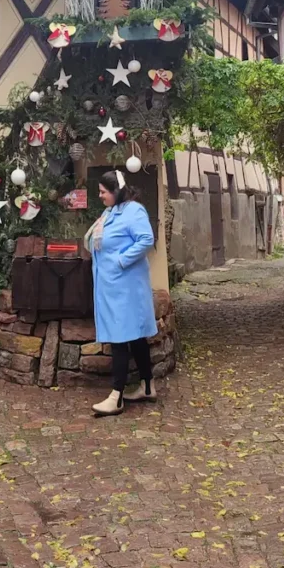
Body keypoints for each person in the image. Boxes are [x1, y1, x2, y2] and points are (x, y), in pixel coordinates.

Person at [84, 169, 157, 416]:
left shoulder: (134, 211)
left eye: (104, 192)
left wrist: (120, 261)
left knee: (119, 337)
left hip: (125, 286)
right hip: (113, 286)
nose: (101, 196)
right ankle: (147, 385)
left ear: (116, 191)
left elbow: (146, 240)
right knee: (135, 337)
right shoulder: (111, 211)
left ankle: (116, 397)